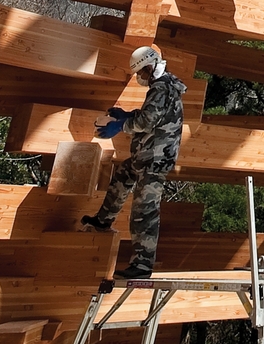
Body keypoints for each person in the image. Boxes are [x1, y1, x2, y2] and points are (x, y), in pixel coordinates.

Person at [80, 45, 187, 280]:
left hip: (155, 160)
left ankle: (142, 265)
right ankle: (103, 221)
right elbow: (155, 116)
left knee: (144, 211)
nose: (140, 78)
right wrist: (127, 115)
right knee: (122, 176)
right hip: (146, 156)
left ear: (149, 67)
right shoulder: (164, 87)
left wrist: (120, 126)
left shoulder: (161, 88)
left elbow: (148, 121)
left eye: (141, 73)